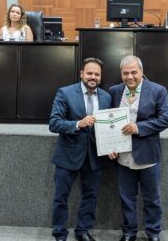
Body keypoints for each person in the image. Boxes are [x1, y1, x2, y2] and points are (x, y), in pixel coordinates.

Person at [108, 55, 168, 241]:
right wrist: (108, 147)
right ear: (121, 74)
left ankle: (153, 233)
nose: (130, 76)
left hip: (147, 155)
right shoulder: (114, 91)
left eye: (134, 72)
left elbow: (166, 119)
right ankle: (129, 232)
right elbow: (107, 121)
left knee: (152, 199)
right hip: (122, 156)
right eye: (125, 73)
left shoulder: (158, 90)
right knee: (126, 198)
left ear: (142, 72)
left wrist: (139, 128)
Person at [49, 58, 111, 241]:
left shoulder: (106, 97)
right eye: (90, 73)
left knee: (90, 196)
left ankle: (82, 231)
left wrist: (112, 146)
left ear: (100, 77)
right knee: (61, 197)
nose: (93, 77)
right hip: (68, 155)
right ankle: (60, 233)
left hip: (94, 157)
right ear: (82, 73)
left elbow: (109, 127)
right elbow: (54, 123)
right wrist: (78, 123)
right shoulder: (65, 93)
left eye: (97, 74)